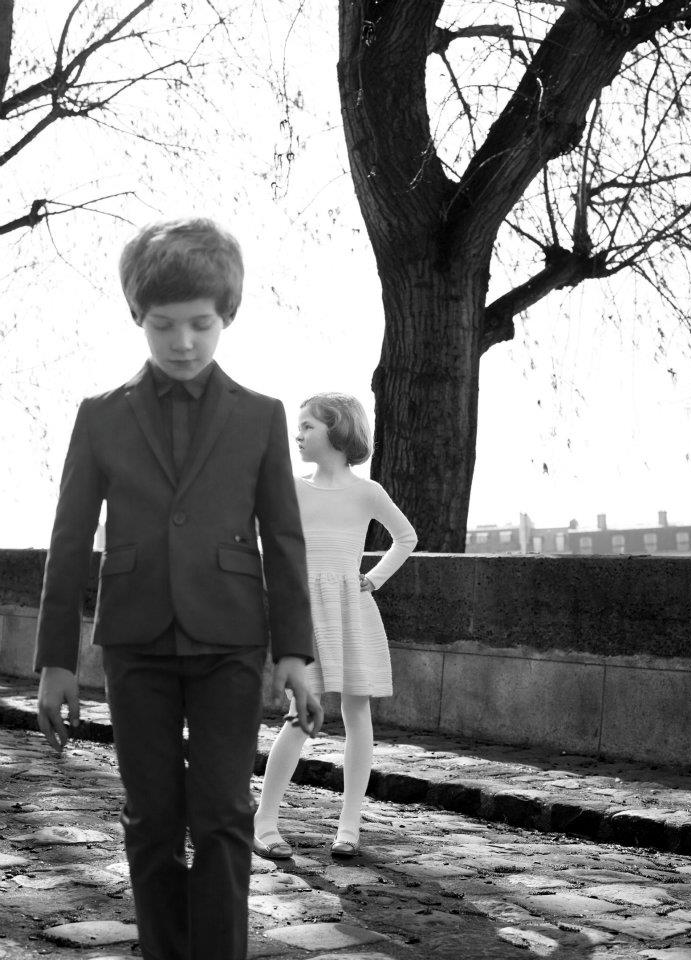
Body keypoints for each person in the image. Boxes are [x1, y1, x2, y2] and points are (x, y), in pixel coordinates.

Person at [34, 217, 323, 960]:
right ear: (138, 315)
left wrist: (296, 653)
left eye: (201, 323)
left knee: (223, 815)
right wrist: (56, 661)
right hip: (134, 642)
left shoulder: (260, 416)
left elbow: (283, 539)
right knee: (152, 818)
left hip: (231, 640)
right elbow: (69, 540)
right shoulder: (100, 416)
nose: (183, 342)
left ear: (227, 315)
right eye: (163, 325)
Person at [253, 392, 417, 860]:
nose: (298, 434)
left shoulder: (368, 492)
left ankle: (349, 827)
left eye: (309, 426)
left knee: (357, 712)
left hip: (351, 608)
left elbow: (406, 537)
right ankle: (264, 821)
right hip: (306, 610)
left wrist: (372, 579)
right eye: (299, 426)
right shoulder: (291, 487)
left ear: (339, 431)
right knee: (299, 714)